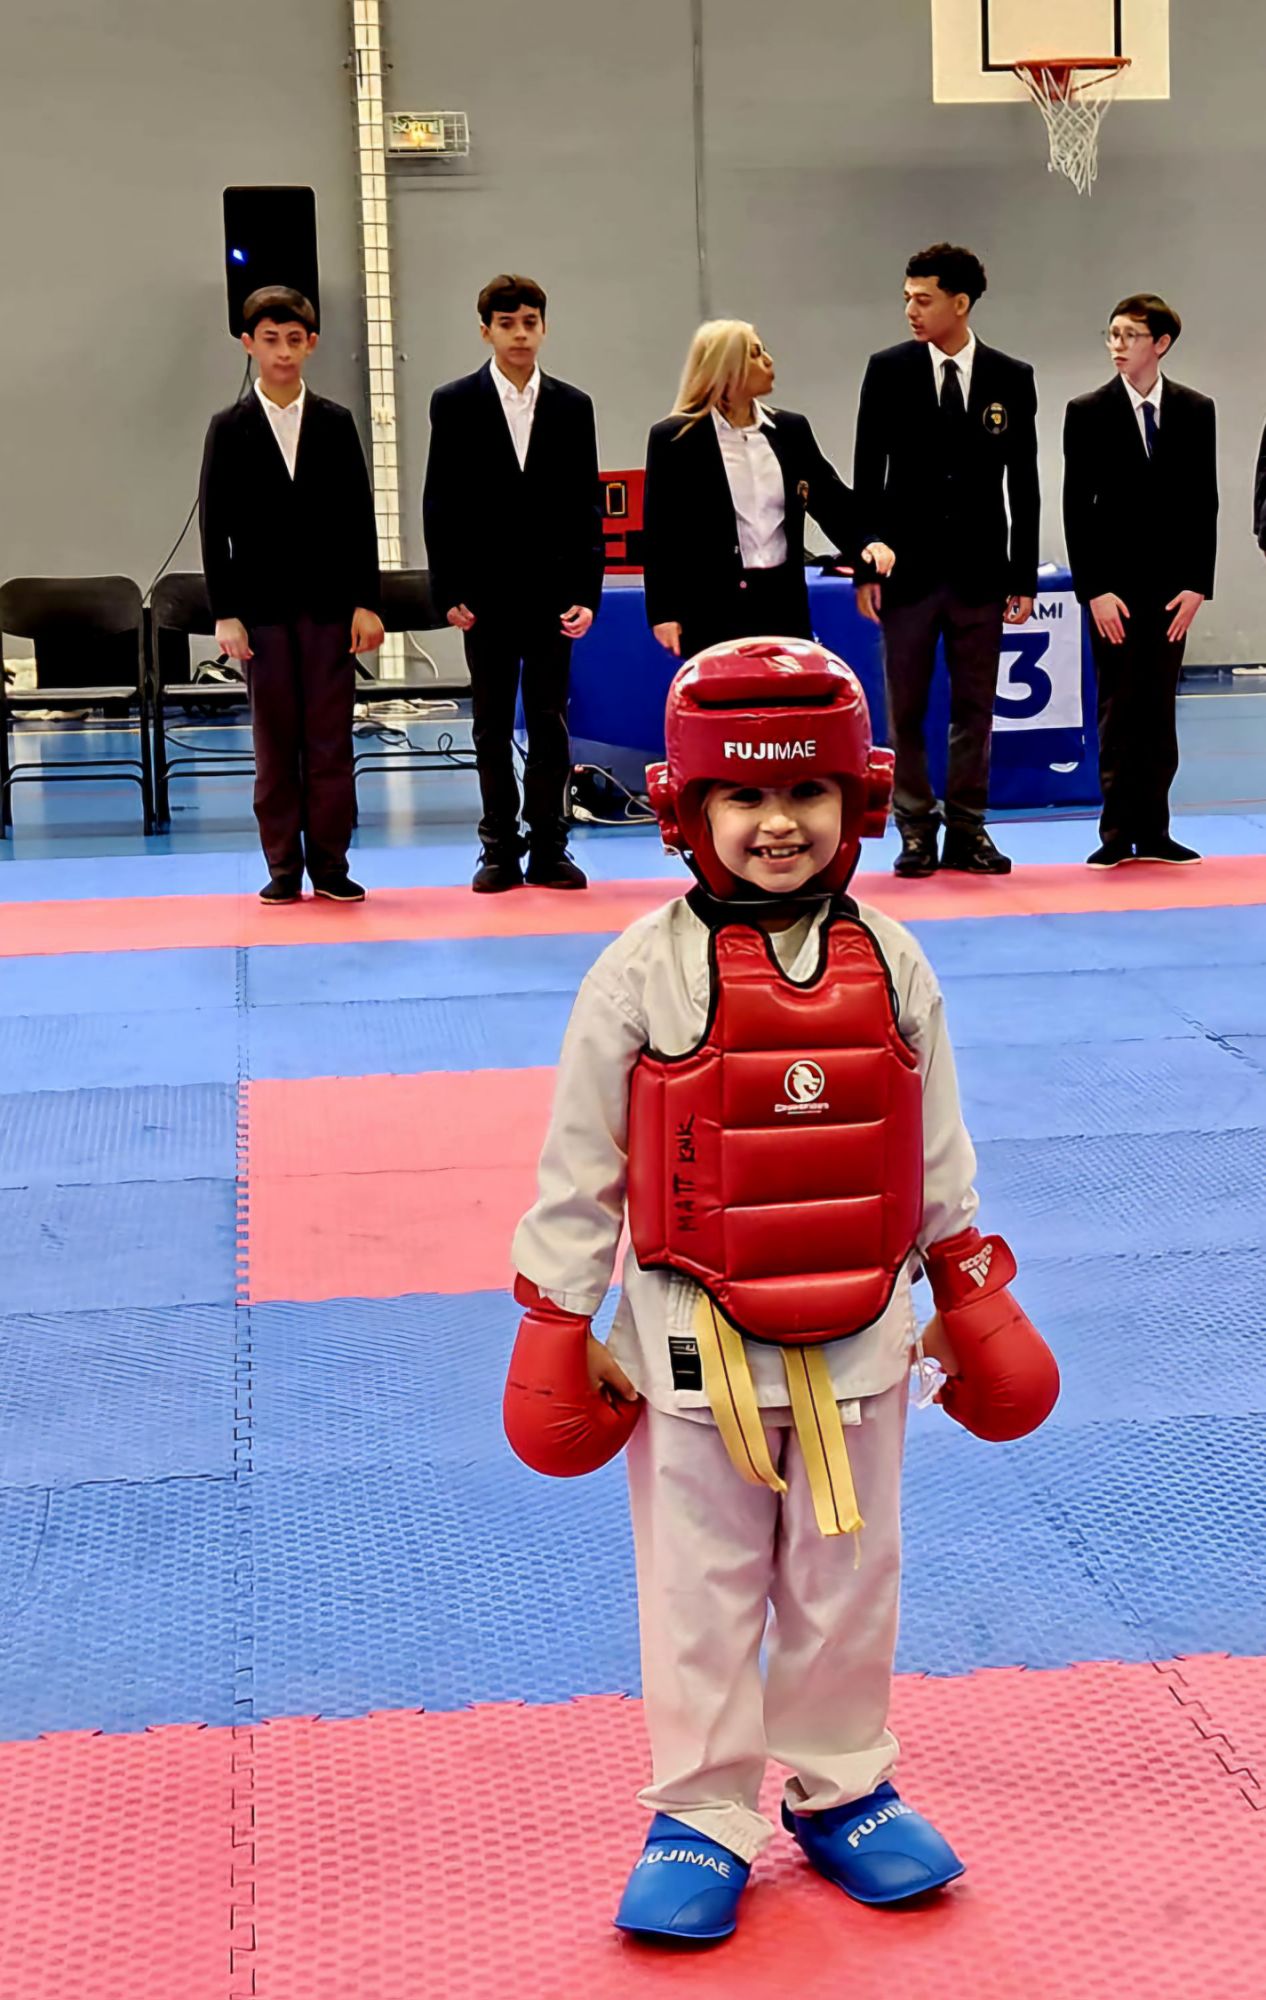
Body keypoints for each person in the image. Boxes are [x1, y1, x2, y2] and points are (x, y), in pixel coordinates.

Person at [502, 638, 1060, 1944]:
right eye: (744, 796)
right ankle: (701, 1808)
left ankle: (841, 1782)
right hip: (691, 1340)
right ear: (685, 807)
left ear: (853, 798)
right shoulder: (638, 970)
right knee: (699, 1587)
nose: (776, 822)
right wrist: (555, 1316)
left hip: (863, 1333)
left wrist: (968, 1285)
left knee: (847, 1573)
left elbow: (932, 1149)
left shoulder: (893, 962)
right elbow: (581, 1162)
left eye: (805, 791)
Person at [853, 245, 1040, 878]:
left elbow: (1025, 484)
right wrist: (865, 566)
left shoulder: (1010, 376)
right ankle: (913, 827)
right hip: (906, 572)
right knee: (905, 708)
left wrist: (1022, 573)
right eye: (906, 298)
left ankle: (967, 826)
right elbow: (866, 473)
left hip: (980, 571)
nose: (911, 309)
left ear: (960, 304)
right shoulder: (888, 370)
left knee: (975, 708)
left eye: (923, 299)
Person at [198, 285, 383, 904]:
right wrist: (226, 613)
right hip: (261, 613)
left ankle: (330, 864)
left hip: (331, 610)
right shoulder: (229, 427)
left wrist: (366, 601)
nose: (283, 351)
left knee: (330, 743)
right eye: (270, 340)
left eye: (294, 340)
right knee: (274, 746)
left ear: (312, 345)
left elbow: (359, 518)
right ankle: (282, 866)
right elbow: (214, 528)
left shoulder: (334, 422)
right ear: (248, 344)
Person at [422, 274, 604, 894]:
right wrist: (447, 590)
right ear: (486, 332)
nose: (520, 334)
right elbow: (440, 502)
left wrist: (587, 592)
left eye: (530, 322)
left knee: (551, 720)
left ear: (544, 328)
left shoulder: (572, 405)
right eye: (507, 324)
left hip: (553, 593)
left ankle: (550, 844)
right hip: (485, 594)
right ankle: (498, 846)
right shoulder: (454, 402)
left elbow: (586, 507)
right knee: (491, 725)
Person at [1065, 294, 1217, 867]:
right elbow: (1077, 507)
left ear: (1161, 343)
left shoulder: (1195, 410)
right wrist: (1094, 590)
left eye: (1130, 335)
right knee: (1118, 707)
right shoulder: (1088, 411)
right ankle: (1115, 833)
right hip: (1114, 590)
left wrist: (1197, 584)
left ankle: (1155, 829)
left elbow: (1204, 502)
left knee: (1158, 709)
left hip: (1172, 589)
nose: (1118, 345)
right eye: (1112, 334)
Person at [642, 320, 894, 664]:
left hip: (782, 602)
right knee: (726, 696)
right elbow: (661, 532)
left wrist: (868, 541)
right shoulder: (674, 439)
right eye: (756, 354)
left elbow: (830, 499)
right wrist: (663, 611)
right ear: (727, 367)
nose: (769, 361)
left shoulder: (791, 430)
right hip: (711, 609)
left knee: (788, 694)